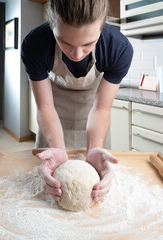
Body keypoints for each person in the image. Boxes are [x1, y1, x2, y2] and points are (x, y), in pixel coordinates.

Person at [21, 0, 133, 203]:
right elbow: (45, 107)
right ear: (51, 26)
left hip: (93, 116)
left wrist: (94, 150)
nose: (77, 54)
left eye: (88, 44)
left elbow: (101, 109)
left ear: (103, 25)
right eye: (65, 42)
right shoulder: (35, 44)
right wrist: (57, 149)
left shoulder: (118, 49)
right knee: (46, 193)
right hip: (53, 115)